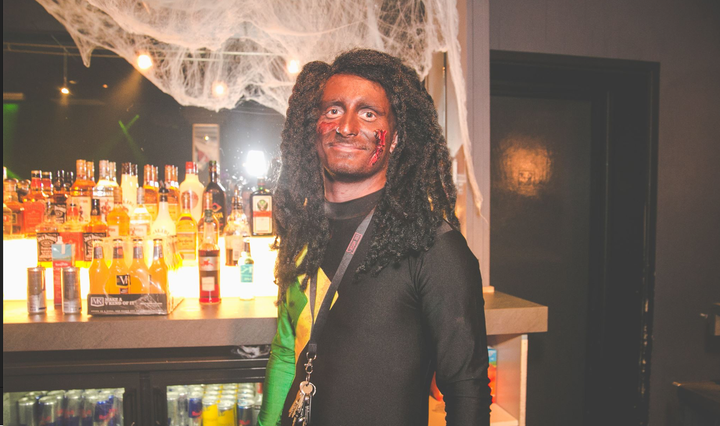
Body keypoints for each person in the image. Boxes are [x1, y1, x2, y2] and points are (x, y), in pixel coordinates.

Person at [259, 49, 491, 426]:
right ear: (314, 127)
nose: (346, 126)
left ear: (396, 137)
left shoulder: (433, 245)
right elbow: (287, 354)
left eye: (369, 114)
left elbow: (467, 391)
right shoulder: (304, 236)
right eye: (333, 110)